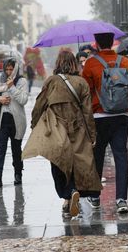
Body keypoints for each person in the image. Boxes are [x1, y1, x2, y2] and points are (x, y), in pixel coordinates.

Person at [26, 50, 102, 218]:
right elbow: (88, 112)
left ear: (58, 63)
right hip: (78, 129)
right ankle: (73, 192)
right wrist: (92, 134)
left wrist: (34, 126)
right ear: (74, 63)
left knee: (58, 162)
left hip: (55, 128)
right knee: (77, 162)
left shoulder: (51, 81)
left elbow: (39, 106)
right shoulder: (81, 83)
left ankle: (67, 195)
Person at [82, 32, 128, 214]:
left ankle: (95, 197)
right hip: (122, 116)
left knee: (98, 156)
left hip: (99, 117)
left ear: (96, 43)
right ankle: (121, 199)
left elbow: (85, 92)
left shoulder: (90, 63)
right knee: (121, 155)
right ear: (112, 43)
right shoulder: (125, 61)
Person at [0, 58, 29, 187]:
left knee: (16, 150)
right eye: (6, 69)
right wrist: (0, 99)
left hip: (16, 122)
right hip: (1, 121)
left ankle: (18, 174)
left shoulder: (21, 81)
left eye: (11, 69)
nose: (9, 72)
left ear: (15, 69)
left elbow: (23, 100)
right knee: (0, 148)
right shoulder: (0, 80)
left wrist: (11, 87)